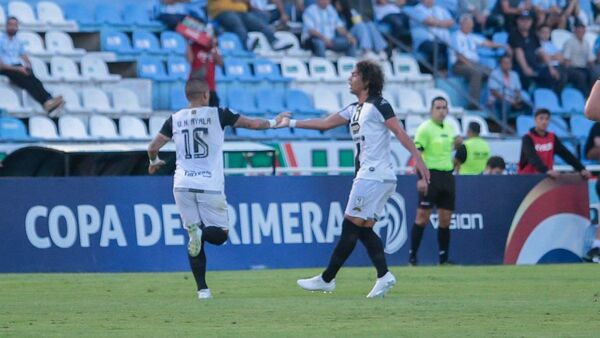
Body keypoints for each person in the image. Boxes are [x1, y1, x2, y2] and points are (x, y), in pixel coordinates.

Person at [289, 60, 430, 298]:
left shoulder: (379, 105)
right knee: (362, 230)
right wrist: (291, 123)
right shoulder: (354, 108)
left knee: (349, 226)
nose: (349, 78)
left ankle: (327, 279)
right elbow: (324, 124)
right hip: (375, 177)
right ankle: (384, 275)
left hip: (373, 175)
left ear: (366, 80)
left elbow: (399, 131)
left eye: (354, 74)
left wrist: (418, 158)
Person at [147, 79, 289, 300]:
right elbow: (252, 124)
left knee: (192, 235)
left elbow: (153, 147)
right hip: (209, 184)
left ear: (187, 96)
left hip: (182, 185)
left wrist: (154, 161)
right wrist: (274, 122)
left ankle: (202, 290)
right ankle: (200, 235)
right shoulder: (218, 114)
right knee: (220, 235)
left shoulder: (174, 119)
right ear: (206, 95)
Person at [409, 97, 461, 266]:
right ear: (431, 110)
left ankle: (444, 259)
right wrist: (421, 178)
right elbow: (417, 154)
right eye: (438, 107)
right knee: (422, 217)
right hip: (430, 175)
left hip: (447, 176)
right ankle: (413, 257)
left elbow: (453, 149)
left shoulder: (451, 127)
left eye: (444, 107)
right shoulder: (425, 128)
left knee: (445, 218)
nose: (441, 111)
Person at [0, 17, 64, 115]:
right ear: (6, 26)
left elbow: (23, 54)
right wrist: (19, 69)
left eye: (14, 25)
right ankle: (46, 103)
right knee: (28, 82)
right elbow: (2, 65)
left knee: (34, 78)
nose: (13, 27)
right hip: (7, 68)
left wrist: (28, 64)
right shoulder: (1, 40)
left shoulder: (18, 41)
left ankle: (48, 100)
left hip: (17, 67)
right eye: (10, 25)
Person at [451, 14, 507, 108]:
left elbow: (487, 43)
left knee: (493, 73)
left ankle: (491, 102)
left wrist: (503, 46)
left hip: (474, 64)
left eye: (471, 24)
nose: (469, 26)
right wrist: (471, 65)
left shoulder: (472, 36)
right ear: (462, 24)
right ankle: (473, 104)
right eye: (467, 24)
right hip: (459, 64)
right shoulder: (455, 36)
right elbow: (459, 56)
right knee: (476, 72)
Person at [518, 108, 590, 178]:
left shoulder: (552, 137)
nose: (544, 121)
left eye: (547, 119)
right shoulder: (527, 138)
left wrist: (581, 169)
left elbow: (566, 154)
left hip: (545, 178)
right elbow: (532, 157)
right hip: (527, 178)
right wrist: (546, 170)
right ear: (535, 120)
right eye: (541, 118)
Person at [509, 11, 567, 93]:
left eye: (527, 20)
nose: (525, 22)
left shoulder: (532, 35)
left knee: (553, 75)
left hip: (535, 66)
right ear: (518, 21)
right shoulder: (514, 34)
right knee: (524, 77)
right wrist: (525, 68)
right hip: (519, 66)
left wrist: (550, 68)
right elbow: (519, 52)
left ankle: (547, 98)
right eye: (522, 20)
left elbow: (541, 51)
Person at [207, 0, 292, 51]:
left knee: (259, 23)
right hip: (222, 12)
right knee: (237, 24)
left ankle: (274, 42)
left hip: (241, 11)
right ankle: (247, 42)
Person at [410, 0, 455, 73]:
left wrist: (437, 23)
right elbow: (428, 21)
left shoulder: (439, 9)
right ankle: (435, 73)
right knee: (433, 47)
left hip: (439, 40)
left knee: (446, 47)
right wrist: (443, 23)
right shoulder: (417, 9)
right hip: (423, 41)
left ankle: (444, 72)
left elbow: (451, 22)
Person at [563, 21, 600, 95]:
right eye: (578, 30)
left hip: (583, 68)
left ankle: (594, 94)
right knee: (581, 76)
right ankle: (585, 96)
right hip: (572, 68)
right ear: (575, 30)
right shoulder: (570, 42)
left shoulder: (586, 43)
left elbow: (591, 59)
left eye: (582, 30)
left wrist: (594, 68)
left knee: (595, 73)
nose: (580, 32)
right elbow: (566, 59)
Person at [187, 31, 223, 107]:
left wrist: (213, 47)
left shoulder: (214, 49)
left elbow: (220, 63)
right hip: (197, 87)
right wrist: (188, 43)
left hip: (211, 87)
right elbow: (189, 60)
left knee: (215, 112)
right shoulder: (194, 46)